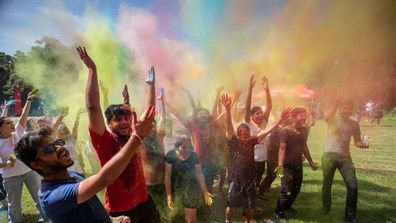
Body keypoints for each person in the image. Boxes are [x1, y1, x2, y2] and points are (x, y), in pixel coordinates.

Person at [14, 104, 155, 222]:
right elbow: (105, 179)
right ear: (36, 164)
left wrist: (112, 220)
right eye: (50, 148)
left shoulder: (73, 175)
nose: (60, 147)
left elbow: (93, 210)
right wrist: (137, 137)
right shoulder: (53, 196)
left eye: (58, 143)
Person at [78, 46, 160, 222]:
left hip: (144, 202)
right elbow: (93, 108)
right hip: (120, 210)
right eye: (118, 119)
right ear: (109, 124)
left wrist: (151, 86)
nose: (124, 122)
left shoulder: (134, 136)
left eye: (126, 118)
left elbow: (150, 112)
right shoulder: (104, 140)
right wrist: (92, 69)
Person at [220, 93, 289, 223]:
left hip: (250, 178)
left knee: (251, 205)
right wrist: (228, 110)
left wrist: (280, 120)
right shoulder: (233, 141)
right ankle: (227, 221)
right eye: (242, 133)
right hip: (235, 178)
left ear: (249, 133)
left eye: (246, 133)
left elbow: (267, 130)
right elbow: (229, 126)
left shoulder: (252, 141)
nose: (244, 135)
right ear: (238, 133)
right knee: (231, 204)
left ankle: (248, 221)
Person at [0, 91, 49, 223]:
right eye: (8, 123)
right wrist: (6, 164)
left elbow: (23, 115)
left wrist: (28, 100)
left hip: (29, 171)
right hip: (11, 176)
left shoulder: (18, 132)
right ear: (0, 129)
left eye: (12, 122)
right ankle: (15, 221)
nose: (12, 124)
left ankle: (46, 219)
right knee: (14, 204)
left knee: (39, 197)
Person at [321, 97, 368, 223]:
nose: (347, 110)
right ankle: (326, 207)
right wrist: (336, 102)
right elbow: (326, 117)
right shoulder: (333, 119)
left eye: (349, 108)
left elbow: (357, 141)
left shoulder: (354, 124)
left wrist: (361, 144)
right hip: (329, 155)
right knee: (327, 183)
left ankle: (350, 215)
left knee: (353, 187)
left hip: (345, 158)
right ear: (340, 107)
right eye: (345, 107)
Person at [273, 107, 318, 222]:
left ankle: (287, 206)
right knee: (285, 189)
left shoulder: (304, 130)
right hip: (287, 166)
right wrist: (280, 166)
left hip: (298, 165)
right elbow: (282, 149)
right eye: (301, 116)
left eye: (305, 115)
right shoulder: (285, 131)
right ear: (293, 117)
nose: (304, 118)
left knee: (296, 189)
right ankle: (278, 211)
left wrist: (311, 162)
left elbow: (304, 146)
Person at [164, 135, 213, 223]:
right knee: (175, 218)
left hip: (191, 189)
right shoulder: (170, 155)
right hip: (176, 189)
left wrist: (205, 192)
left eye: (189, 147)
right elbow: (167, 176)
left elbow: (199, 174)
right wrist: (169, 196)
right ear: (177, 147)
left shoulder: (194, 156)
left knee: (191, 220)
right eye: (184, 147)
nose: (187, 149)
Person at [244, 75, 272, 188]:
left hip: (262, 158)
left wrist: (267, 89)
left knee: (257, 179)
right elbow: (247, 107)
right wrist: (250, 88)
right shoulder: (248, 123)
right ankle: (247, 199)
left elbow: (269, 107)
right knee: (249, 179)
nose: (260, 115)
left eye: (261, 113)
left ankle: (253, 199)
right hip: (250, 158)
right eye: (257, 113)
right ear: (251, 116)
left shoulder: (264, 123)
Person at [55, 108, 86, 176]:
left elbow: (75, 127)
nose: (61, 135)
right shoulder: (55, 142)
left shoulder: (71, 140)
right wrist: (61, 116)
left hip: (77, 168)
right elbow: (52, 129)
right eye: (59, 133)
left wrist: (78, 115)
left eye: (62, 133)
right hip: (65, 171)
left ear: (66, 133)